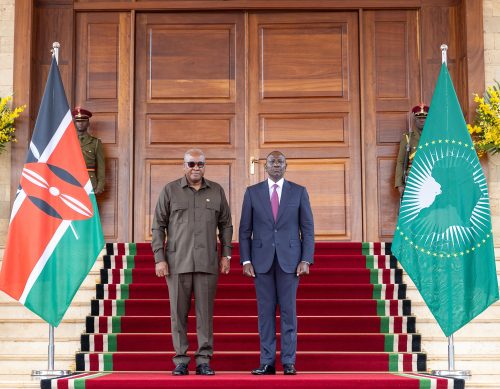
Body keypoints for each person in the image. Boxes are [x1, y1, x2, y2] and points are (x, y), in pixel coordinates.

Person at [151, 148, 233, 376]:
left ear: (205, 166)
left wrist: (226, 254)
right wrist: (160, 258)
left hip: (207, 262)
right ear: (184, 165)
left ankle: (204, 360)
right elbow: (158, 226)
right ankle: (180, 360)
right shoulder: (170, 190)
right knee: (178, 313)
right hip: (177, 262)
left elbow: (226, 224)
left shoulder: (216, 191)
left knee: (205, 314)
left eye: (200, 164)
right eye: (191, 164)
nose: (196, 168)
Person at [239, 150, 315, 376]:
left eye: (280, 162)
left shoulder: (299, 192)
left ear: (286, 165)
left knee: (289, 313)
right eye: (271, 162)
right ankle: (267, 362)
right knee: (265, 314)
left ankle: (289, 361)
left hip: (290, 262)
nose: (276, 165)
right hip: (261, 262)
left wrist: (306, 259)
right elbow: (245, 230)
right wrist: (245, 259)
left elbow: (308, 229)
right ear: (265, 166)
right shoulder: (252, 193)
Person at [395, 103, 429, 196]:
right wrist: (399, 184)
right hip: (412, 178)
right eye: (419, 118)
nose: (422, 120)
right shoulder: (407, 137)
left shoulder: (434, 138)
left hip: (431, 177)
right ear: (415, 119)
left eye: (424, 118)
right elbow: (401, 161)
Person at [72, 107, 105, 195]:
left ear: (88, 123)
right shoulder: (68, 141)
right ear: (75, 123)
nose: (80, 123)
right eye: (78, 121)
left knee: (90, 209)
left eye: (83, 121)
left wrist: (100, 186)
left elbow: (101, 166)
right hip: (72, 182)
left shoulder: (96, 142)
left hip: (90, 184)